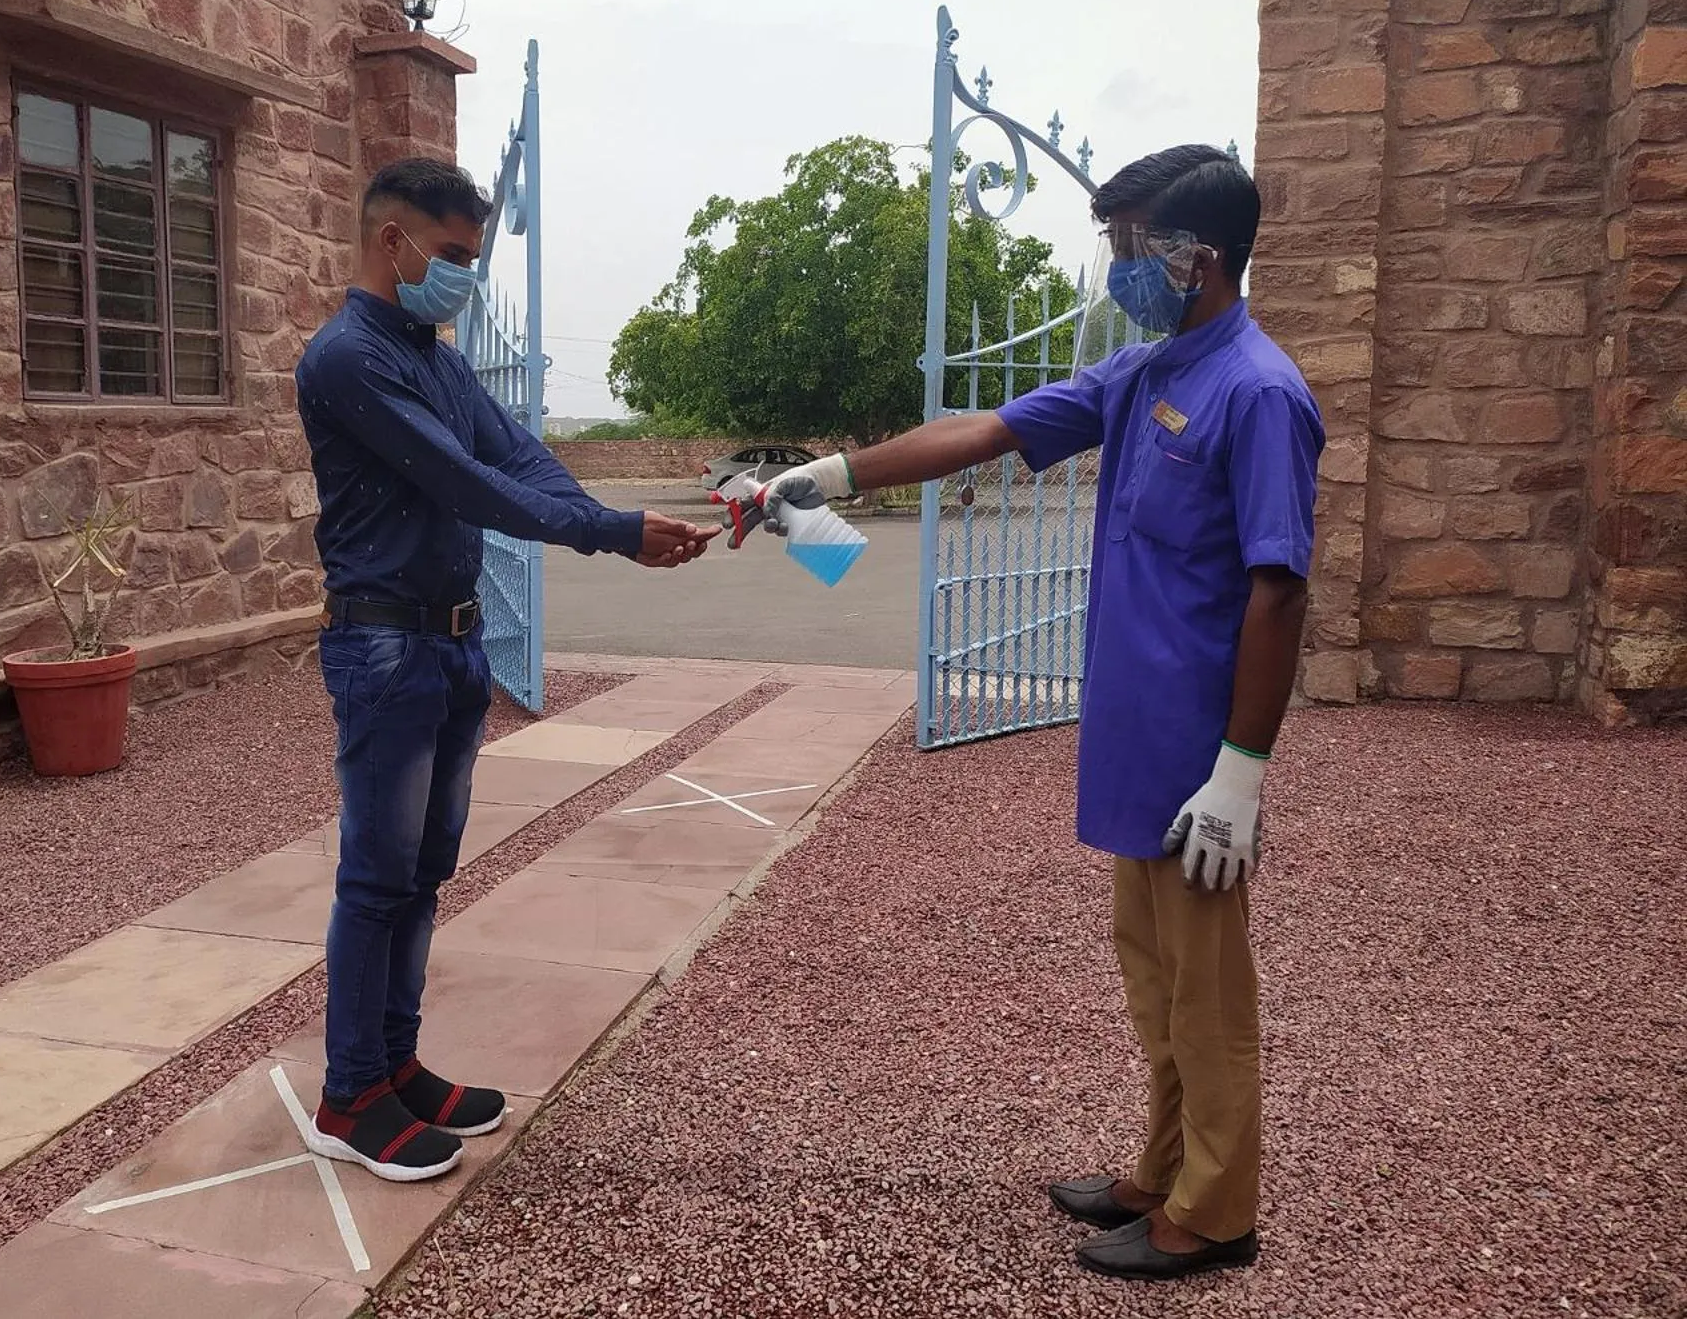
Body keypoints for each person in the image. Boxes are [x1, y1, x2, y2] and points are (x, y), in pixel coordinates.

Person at [759, 146, 1322, 1279]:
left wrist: (1241, 772)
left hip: (1195, 755)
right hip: (1130, 737)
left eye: (1128, 248)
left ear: (1193, 259)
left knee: (1206, 991)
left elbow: (1278, 587)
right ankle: (1161, 1168)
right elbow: (988, 433)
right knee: (1153, 976)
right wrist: (834, 476)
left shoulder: (1257, 392)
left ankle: (1215, 1213)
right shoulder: (1147, 372)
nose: (1114, 268)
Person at [294, 157, 718, 1182]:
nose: (462, 279)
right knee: (376, 876)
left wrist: (604, 515)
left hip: (447, 641)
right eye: (449, 256)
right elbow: (465, 481)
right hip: (385, 646)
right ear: (388, 240)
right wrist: (611, 532)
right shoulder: (347, 359)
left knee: (426, 870)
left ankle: (395, 1064)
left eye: (473, 261)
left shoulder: (429, 355)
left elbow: (513, 451)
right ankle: (350, 1094)